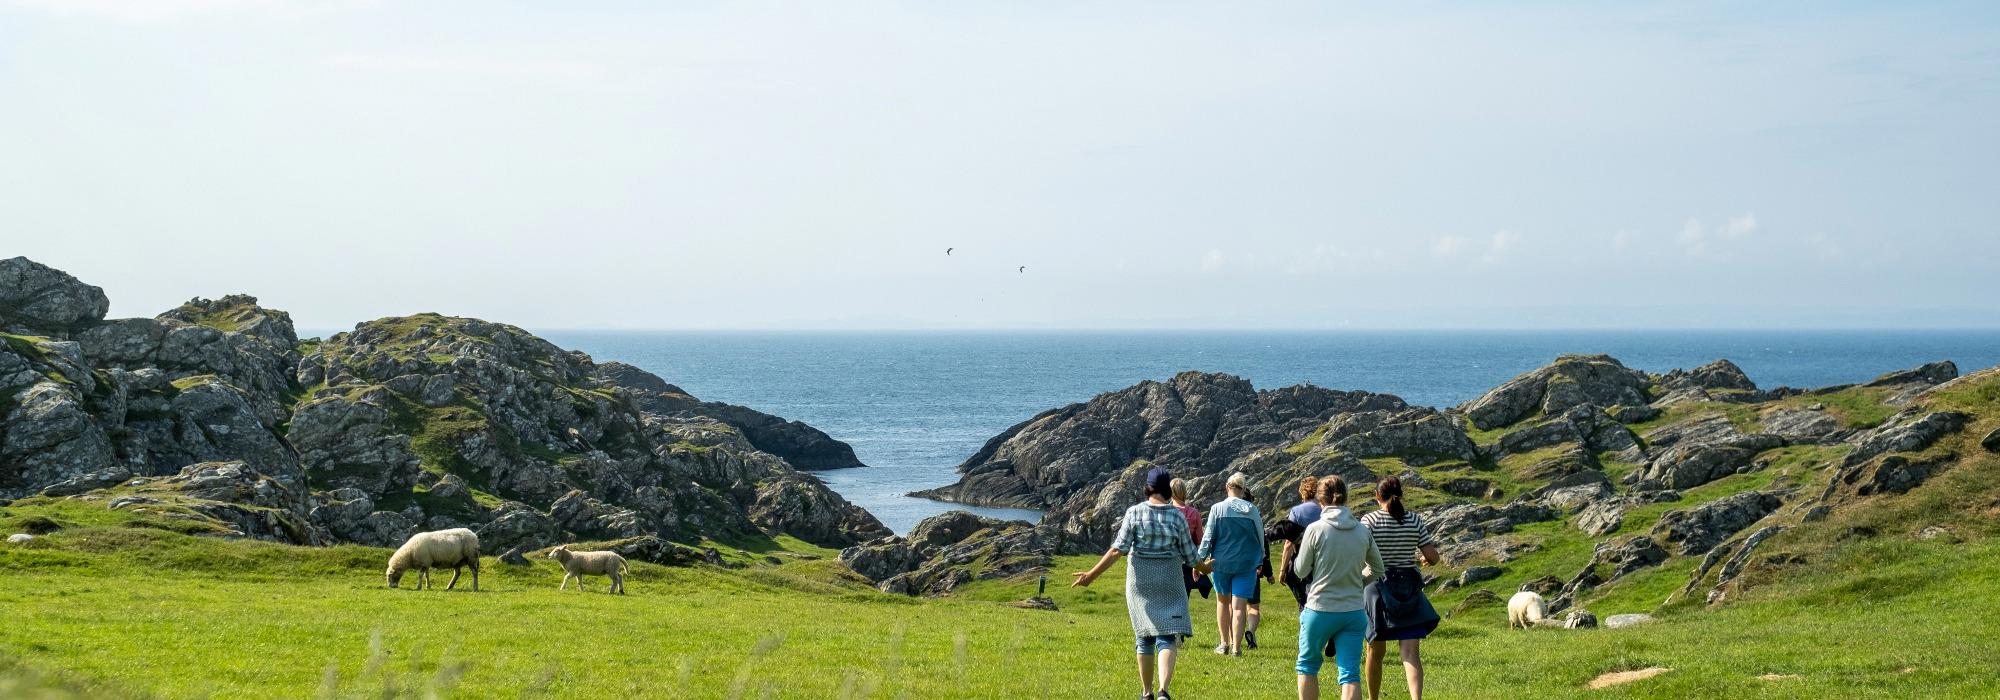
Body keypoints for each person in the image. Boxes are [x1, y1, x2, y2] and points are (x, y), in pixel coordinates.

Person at [1073, 467, 1207, 700]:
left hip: (1140, 583)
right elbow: (1190, 556)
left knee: (1144, 638)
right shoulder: (1177, 516)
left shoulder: (1134, 512)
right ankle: (1164, 690)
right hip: (1170, 581)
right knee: (1167, 636)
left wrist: (1091, 576)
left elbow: (1118, 550)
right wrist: (1206, 568)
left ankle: (1146, 693)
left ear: (1148, 488)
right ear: (1167, 490)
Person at [1292, 476, 1386, 700]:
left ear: (1320, 500)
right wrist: (1358, 582)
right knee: (1350, 673)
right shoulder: (1361, 530)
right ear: (1346, 498)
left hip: (1320, 607)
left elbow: (1301, 570)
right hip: (1353, 610)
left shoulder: (1315, 529)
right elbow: (1377, 568)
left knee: (1307, 666)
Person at [1360, 477, 1442, 700]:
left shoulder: (1370, 520)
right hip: (1408, 588)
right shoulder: (1414, 519)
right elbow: (1433, 557)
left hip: (1377, 587)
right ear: (1401, 494)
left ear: (1377, 496)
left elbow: (1360, 550)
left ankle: (1373, 699)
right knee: (1410, 653)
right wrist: (1422, 559)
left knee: (1375, 650)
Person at [1196, 472, 1263, 656]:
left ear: (1227, 487)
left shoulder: (1217, 509)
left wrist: (1199, 561)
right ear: (1243, 489)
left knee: (1223, 603)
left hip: (1221, 563)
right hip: (1246, 563)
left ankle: (1224, 643)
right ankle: (1237, 648)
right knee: (1239, 607)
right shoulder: (1252, 510)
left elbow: (1208, 537)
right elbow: (1260, 537)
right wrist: (1260, 559)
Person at [1279, 475, 1321, 608]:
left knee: (1303, 598)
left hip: (1302, 558)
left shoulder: (1296, 512)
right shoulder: (1325, 509)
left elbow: (1289, 544)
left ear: (1303, 492)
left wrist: (1283, 570)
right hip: (1323, 558)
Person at [1170, 478, 1212, 600]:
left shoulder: (1165, 512)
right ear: (1185, 492)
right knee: (1183, 600)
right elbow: (1199, 540)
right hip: (1187, 562)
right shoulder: (1194, 513)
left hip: (1168, 561)